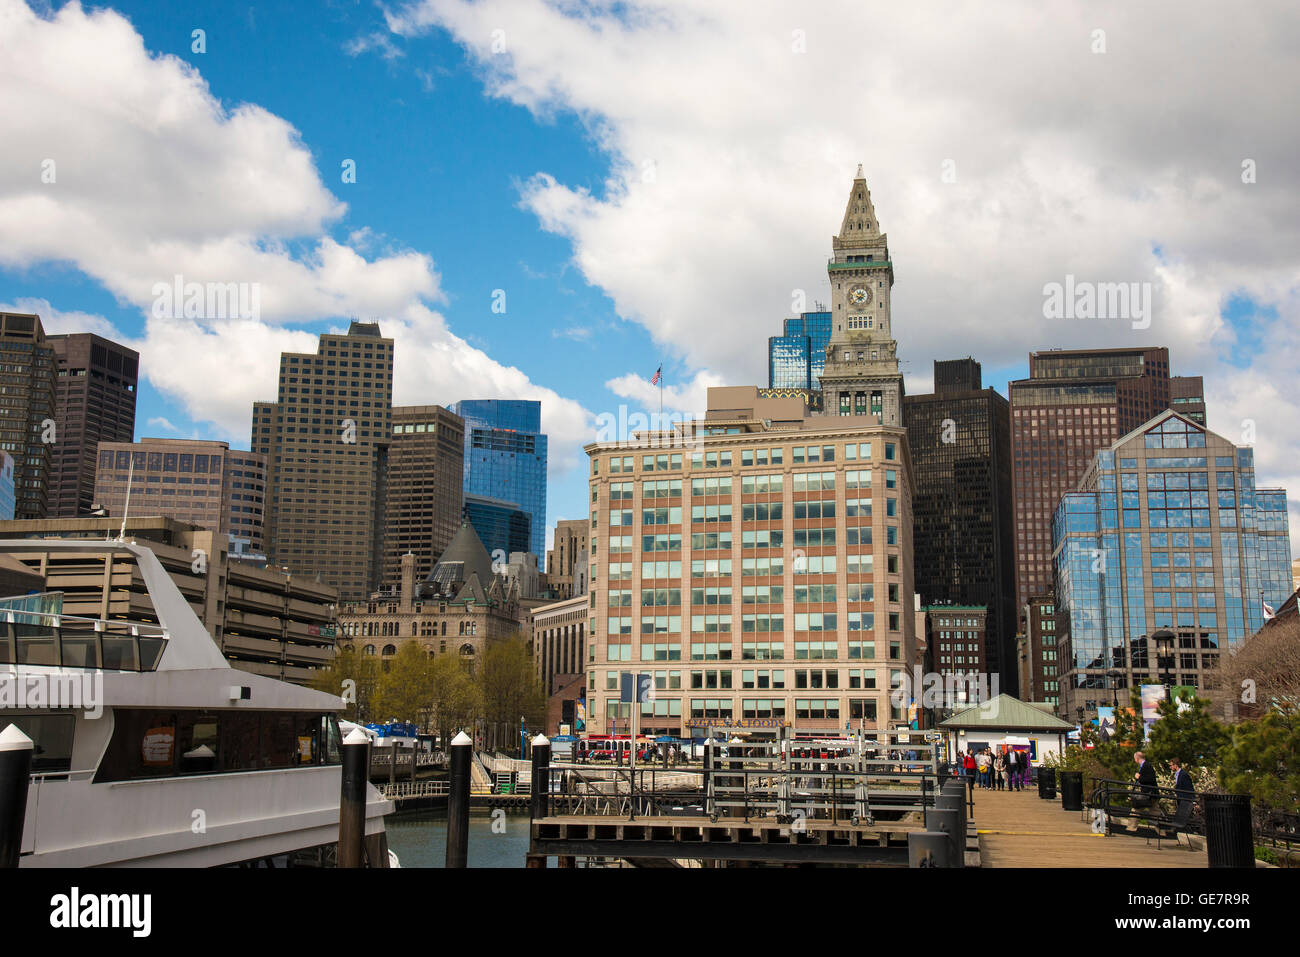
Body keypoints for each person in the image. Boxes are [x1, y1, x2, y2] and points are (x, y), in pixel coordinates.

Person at [1170, 758, 1195, 829]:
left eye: (1171, 765)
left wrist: (1190, 800)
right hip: (1181, 798)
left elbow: (1189, 788)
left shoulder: (1183, 775)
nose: (1170, 767)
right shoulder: (1177, 774)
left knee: (1184, 817)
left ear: (1175, 765)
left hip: (1184, 799)